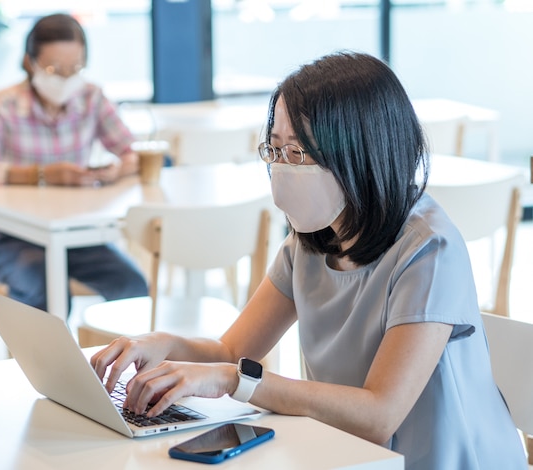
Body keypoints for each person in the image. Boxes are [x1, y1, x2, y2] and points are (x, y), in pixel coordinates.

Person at [90, 51, 526, 468]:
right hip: (350, 455)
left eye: (297, 153)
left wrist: (234, 379)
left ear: (360, 151)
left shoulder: (428, 249)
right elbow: (233, 350)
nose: (281, 168)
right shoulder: (310, 239)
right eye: (275, 150)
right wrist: (164, 345)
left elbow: (379, 414)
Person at [0, 13, 148, 313]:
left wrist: (117, 170)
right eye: (54, 69)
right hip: (14, 239)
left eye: (75, 69)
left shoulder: (91, 97)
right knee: (44, 290)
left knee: (132, 286)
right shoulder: (3, 105)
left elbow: (134, 151)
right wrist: (44, 175)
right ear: (29, 62)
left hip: (76, 234)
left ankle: (118, 359)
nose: (65, 78)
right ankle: (42, 361)